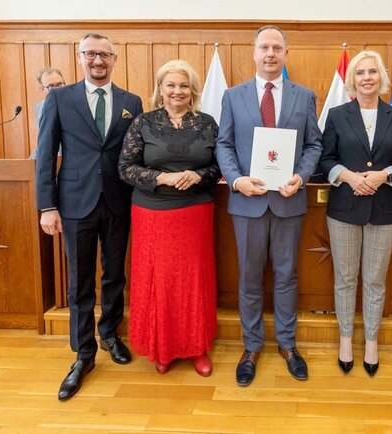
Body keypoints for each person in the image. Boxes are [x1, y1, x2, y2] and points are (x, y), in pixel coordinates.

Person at [36, 32, 143, 401]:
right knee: (80, 281)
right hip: (74, 203)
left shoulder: (131, 102)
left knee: (114, 275)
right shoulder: (59, 99)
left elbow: (136, 154)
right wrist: (47, 206)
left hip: (118, 202)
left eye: (104, 55)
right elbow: (45, 154)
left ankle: (109, 333)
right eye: (91, 54)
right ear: (80, 57)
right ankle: (83, 354)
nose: (98, 61)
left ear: (114, 59)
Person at [215, 25, 322, 386]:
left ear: (286, 53)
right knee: (249, 277)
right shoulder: (233, 96)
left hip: (289, 201)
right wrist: (236, 180)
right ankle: (251, 347)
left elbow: (314, 145)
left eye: (277, 47)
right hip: (248, 202)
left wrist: (301, 177)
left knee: (287, 275)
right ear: (254, 52)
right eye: (265, 47)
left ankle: (288, 345)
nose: (271, 53)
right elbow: (224, 144)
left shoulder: (304, 96)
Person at [118, 59, 220, 376]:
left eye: (184, 85)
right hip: (152, 212)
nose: (178, 91)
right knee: (159, 282)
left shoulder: (207, 123)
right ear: (160, 89)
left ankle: (197, 347)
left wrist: (198, 175)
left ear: (193, 90)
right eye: (171, 85)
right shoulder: (143, 123)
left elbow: (220, 166)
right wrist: (160, 178)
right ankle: (164, 347)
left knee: (193, 281)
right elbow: (125, 168)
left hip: (195, 211)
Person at [319, 50, 392, 377]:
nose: (367, 78)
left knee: (375, 280)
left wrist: (384, 175)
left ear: (381, 77)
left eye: (372, 72)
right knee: (345, 279)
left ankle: (371, 342)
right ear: (352, 79)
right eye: (360, 73)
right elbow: (325, 159)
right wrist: (349, 177)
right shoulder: (337, 115)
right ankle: (346, 339)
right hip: (344, 208)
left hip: (384, 209)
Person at [30, 67, 65, 158]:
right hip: (50, 158)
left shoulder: (75, 103)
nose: (56, 89)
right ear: (42, 89)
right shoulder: (40, 107)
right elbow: (44, 138)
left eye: (59, 84)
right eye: (51, 86)